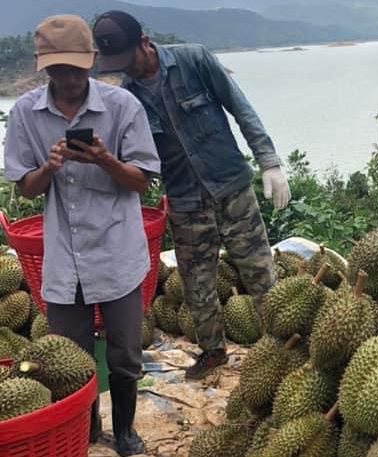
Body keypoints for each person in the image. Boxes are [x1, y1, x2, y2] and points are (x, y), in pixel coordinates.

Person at [92, 10, 291, 380]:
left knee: (260, 273)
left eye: (128, 59)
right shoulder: (128, 98)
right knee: (196, 283)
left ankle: (283, 347)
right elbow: (136, 160)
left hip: (231, 187)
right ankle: (213, 351)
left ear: (145, 42)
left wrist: (269, 162)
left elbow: (240, 108)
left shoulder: (193, 60)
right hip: (184, 200)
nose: (126, 70)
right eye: (116, 64)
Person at [3, 15, 160, 456]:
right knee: (69, 360)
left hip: (117, 251)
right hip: (64, 258)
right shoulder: (25, 114)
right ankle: (87, 430)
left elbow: (142, 181)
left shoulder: (122, 107)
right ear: (43, 67)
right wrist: (48, 168)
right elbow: (25, 188)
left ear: (91, 62)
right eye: (58, 69)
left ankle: (125, 432)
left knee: (126, 355)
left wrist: (105, 160)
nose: (68, 78)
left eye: (76, 68)